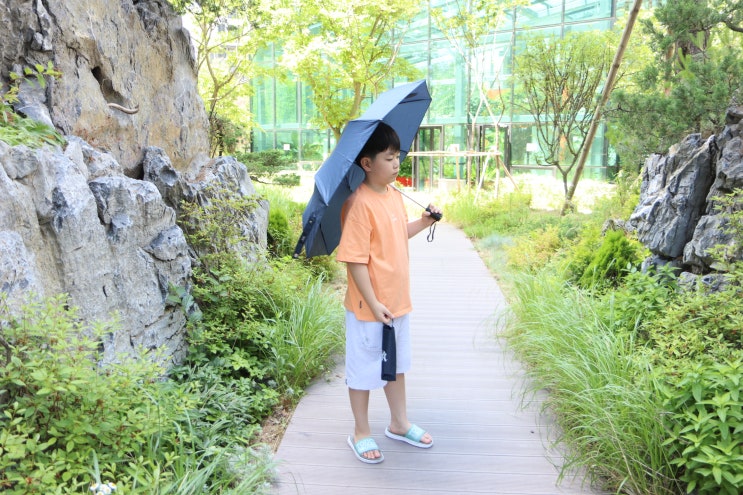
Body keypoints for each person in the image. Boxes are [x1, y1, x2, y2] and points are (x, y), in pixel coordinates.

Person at [337, 122, 441, 464]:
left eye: (398, 156)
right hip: (369, 307)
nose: (396, 164)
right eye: (388, 158)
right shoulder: (358, 204)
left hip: (397, 303)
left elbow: (396, 235)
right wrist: (373, 302)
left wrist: (424, 222)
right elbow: (355, 261)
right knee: (363, 369)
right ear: (367, 163)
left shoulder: (394, 196)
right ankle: (361, 431)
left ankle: (399, 423)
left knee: (396, 365)